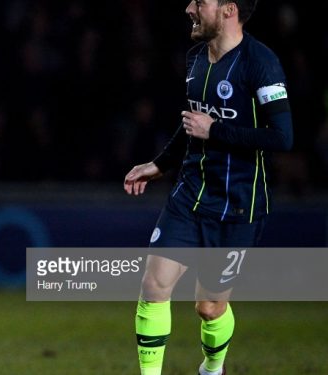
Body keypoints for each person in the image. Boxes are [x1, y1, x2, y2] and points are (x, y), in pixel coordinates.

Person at [123, 1, 292, 374]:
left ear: (228, 9)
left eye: (200, 2)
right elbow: (191, 126)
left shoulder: (261, 64)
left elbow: (282, 137)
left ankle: (212, 369)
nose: (188, 8)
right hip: (189, 195)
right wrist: (159, 165)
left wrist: (215, 129)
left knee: (209, 307)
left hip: (238, 205)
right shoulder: (196, 58)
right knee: (153, 286)